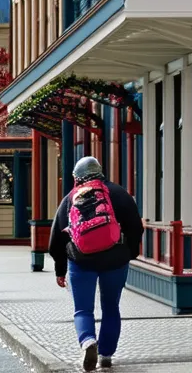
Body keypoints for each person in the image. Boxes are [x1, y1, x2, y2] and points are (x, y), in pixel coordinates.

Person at [49, 156, 143, 372]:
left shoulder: (70, 198)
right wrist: (129, 253)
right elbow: (136, 228)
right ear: (100, 172)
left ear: (77, 177)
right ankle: (106, 355)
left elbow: (57, 238)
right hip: (115, 260)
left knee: (83, 309)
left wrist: (60, 269)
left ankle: (88, 341)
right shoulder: (119, 194)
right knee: (111, 308)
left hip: (80, 261)